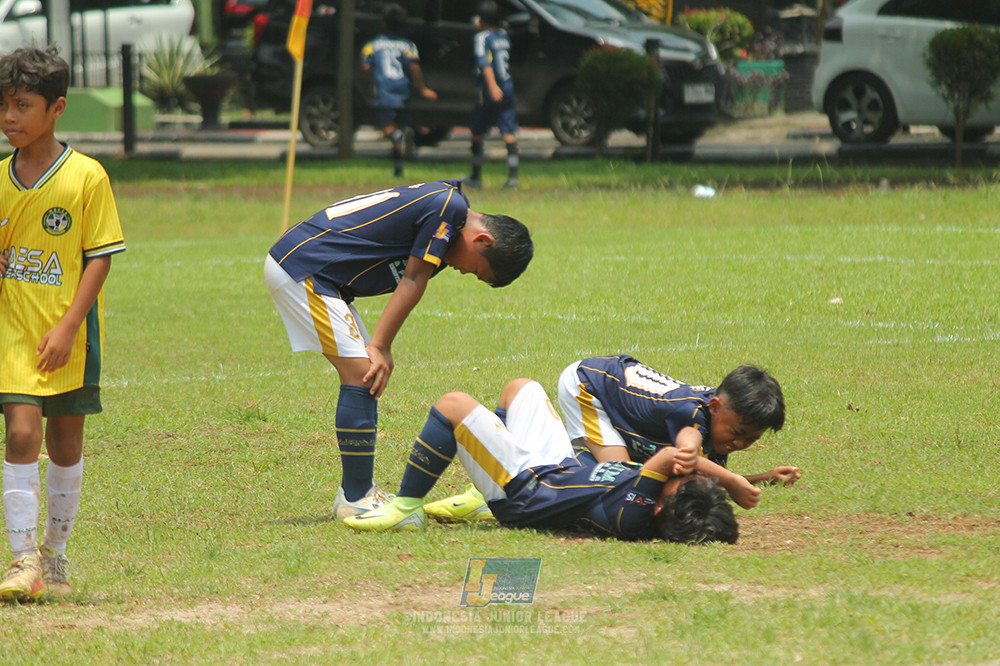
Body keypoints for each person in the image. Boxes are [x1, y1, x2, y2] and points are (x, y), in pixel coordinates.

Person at [264, 180, 532, 521]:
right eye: (474, 269)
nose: (463, 271)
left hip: (318, 271)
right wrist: (380, 346)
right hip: (305, 268)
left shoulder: (447, 213)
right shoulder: (447, 210)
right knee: (363, 375)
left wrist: (379, 346)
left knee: (365, 376)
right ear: (482, 240)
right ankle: (356, 497)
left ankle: (359, 491)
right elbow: (412, 279)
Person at [0, 46, 126, 602]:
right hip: (13, 329)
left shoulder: (86, 177)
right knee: (22, 434)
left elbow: (99, 256)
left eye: (22, 106)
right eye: (3, 106)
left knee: (66, 441)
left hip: (68, 332)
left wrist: (71, 325)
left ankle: (55, 552)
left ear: (57, 108)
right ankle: (22, 558)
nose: (9, 118)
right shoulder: (0, 178)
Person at [344, 378, 739, 544]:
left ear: (659, 507)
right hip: (556, 471)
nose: (681, 473)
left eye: (680, 481)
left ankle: (405, 506)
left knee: (453, 405)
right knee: (522, 388)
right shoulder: (647, 504)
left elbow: (672, 455)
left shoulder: (634, 517)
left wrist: (732, 481)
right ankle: (478, 491)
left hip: (522, 492)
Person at [425, 354, 798, 522]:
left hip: (616, 395)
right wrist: (733, 480)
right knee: (618, 475)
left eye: (751, 439)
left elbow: (699, 476)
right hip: (589, 386)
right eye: (737, 433)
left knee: (634, 473)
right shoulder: (691, 415)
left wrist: (758, 479)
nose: (738, 443)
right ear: (715, 406)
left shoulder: (715, 419)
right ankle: (491, 484)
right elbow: (683, 453)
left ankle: (510, 469)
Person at [360, 3, 437, 178]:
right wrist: (423, 88)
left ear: (384, 23)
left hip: (385, 90)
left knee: (388, 129)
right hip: (403, 89)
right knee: (399, 125)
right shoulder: (408, 45)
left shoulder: (373, 45)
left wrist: (376, 74)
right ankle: (398, 169)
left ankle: (399, 138)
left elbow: (365, 66)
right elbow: (414, 66)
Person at [465, 0, 519, 190]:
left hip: (489, 89)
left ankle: (475, 175)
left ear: (481, 19)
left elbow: (485, 63)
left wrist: (492, 86)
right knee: (508, 129)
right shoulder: (504, 36)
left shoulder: (482, 37)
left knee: (477, 130)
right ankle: (513, 177)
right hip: (508, 86)